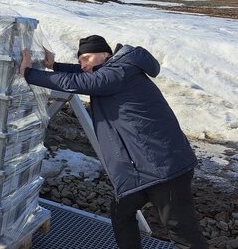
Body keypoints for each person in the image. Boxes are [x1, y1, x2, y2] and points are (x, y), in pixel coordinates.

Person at [19, 35, 207, 249]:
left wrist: (29, 73)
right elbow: (84, 74)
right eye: (80, 60)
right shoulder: (115, 70)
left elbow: (81, 81)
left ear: (106, 54)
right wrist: (54, 66)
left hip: (164, 168)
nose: (83, 64)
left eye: (87, 57)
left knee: (181, 231)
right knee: (121, 213)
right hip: (142, 169)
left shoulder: (120, 71)